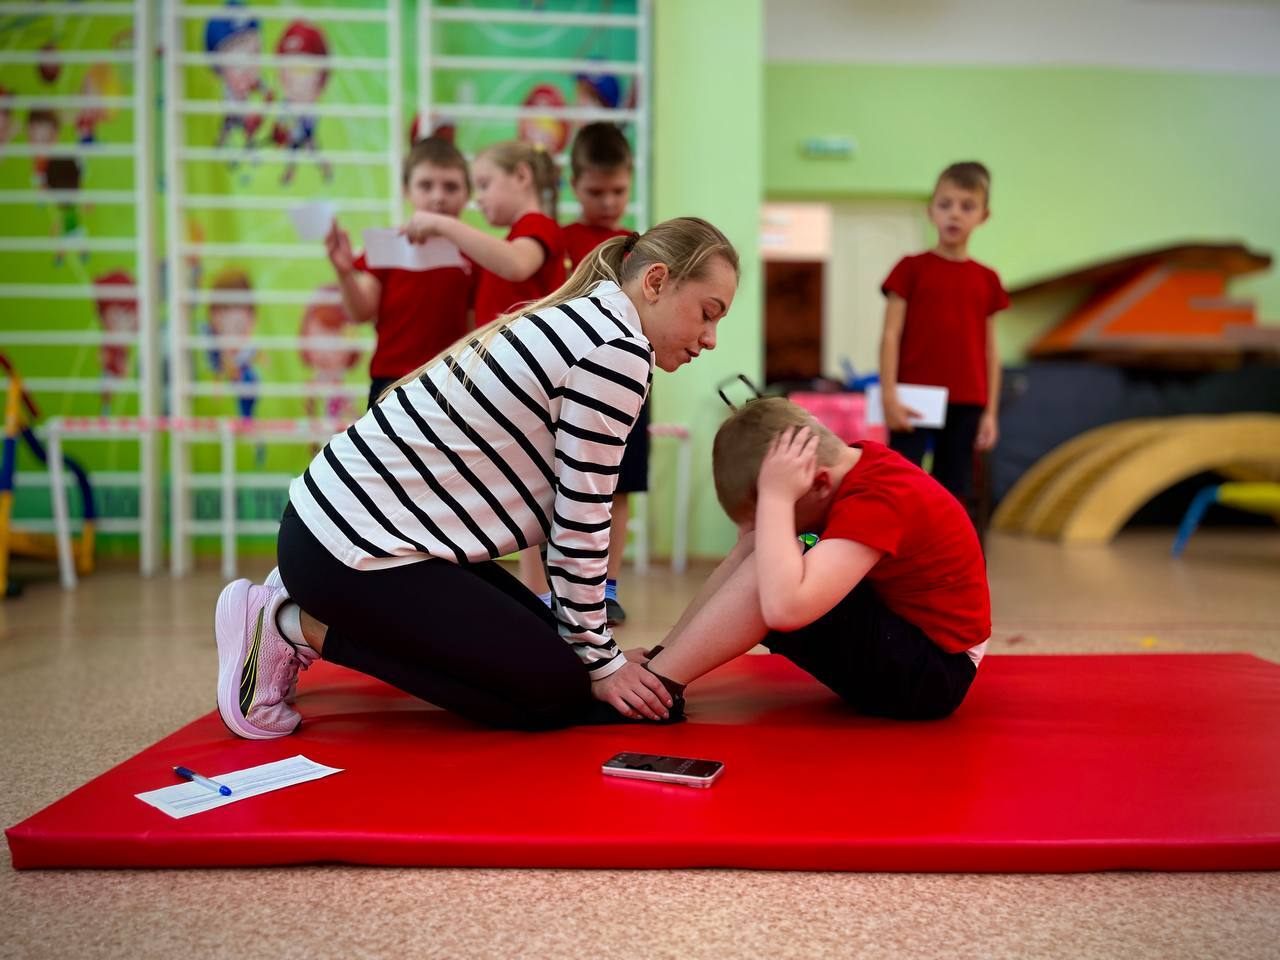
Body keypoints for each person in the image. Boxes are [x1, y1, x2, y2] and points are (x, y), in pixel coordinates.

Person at [213, 217, 739, 740]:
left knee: (564, 663)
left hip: (333, 527)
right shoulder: (617, 350)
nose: (711, 339)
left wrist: (593, 652)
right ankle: (291, 626)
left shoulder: (596, 319)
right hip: (348, 547)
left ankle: (302, 605)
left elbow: (573, 520)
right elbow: (581, 519)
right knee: (551, 693)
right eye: (707, 314)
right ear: (654, 282)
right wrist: (602, 662)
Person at [642, 396, 990, 722]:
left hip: (934, 676)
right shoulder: (855, 466)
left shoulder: (879, 499)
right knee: (760, 550)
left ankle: (655, 692)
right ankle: (658, 665)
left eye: (772, 512)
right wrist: (773, 512)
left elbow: (785, 609)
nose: (769, 522)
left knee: (770, 569)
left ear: (819, 483)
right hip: (915, 647)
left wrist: (776, 501)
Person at [400, 139, 568, 602]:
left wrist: (443, 224)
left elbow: (517, 265)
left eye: (486, 185)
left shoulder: (536, 229)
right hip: (507, 388)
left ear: (522, 178)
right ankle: (538, 600)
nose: (480, 198)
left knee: (535, 497)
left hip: (531, 388)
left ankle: (545, 600)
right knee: (525, 497)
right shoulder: (513, 237)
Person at [879, 161, 1009, 506]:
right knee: (901, 484)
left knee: (954, 490)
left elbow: (991, 352)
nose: (954, 214)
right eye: (945, 204)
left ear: (983, 215)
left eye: (967, 206)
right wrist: (889, 395)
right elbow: (890, 335)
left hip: (967, 402)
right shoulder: (910, 269)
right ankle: (896, 558)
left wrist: (990, 412)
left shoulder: (987, 280)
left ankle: (944, 559)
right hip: (912, 398)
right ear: (931, 211)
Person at [558, 122, 641, 623]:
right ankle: (550, 591)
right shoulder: (560, 240)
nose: (608, 201)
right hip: (569, 386)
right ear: (574, 185)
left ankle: (606, 588)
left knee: (619, 488)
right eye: (595, 191)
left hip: (627, 385)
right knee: (562, 487)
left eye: (618, 191)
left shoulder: (641, 247)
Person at [324, 136, 474, 410]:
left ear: (468, 194)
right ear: (407, 190)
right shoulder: (386, 246)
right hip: (391, 381)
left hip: (453, 381)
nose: (438, 197)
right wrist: (345, 274)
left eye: (451, 187)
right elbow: (361, 312)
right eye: (426, 185)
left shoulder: (475, 253)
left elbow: (477, 325)